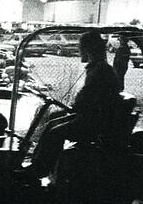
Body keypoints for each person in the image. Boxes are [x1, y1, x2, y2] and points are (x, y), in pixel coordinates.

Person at [27, 30, 121, 176]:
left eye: (81, 47)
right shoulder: (98, 68)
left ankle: (38, 170)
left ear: (88, 49)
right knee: (53, 119)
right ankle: (43, 166)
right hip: (93, 117)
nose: (79, 51)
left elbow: (85, 101)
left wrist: (74, 106)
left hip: (95, 122)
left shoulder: (99, 71)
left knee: (54, 132)